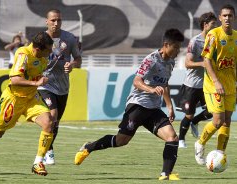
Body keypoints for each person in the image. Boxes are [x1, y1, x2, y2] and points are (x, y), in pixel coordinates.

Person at [74, 29, 184, 180]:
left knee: (172, 138)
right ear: (166, 45)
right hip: (137, 105)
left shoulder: (171, 62)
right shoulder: (151, 59)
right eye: (176, 47)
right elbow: (136, 81)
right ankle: (89, 147)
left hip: (153, 110)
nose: (178, 51)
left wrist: (169, 106)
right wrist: (151, 89)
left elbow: (164, 84)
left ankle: (166, 174)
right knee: (121, 141)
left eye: (179, 47)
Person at [0, 31, 54, 176]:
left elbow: (42, 68)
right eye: (48, 49)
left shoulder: (43, 56)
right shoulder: (23, 54)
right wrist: (36, 82)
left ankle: (38, 163)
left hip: (31, 98)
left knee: (48, 123)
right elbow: (14, 79)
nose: (50, 52)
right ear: (38, 49)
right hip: (14, 98)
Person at [38, 8, 82, 165]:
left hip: (63, 86)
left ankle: (47, 146)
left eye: (59, 20)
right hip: (44, 85)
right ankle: (47, 152)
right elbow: (32, 57)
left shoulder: (69, 38)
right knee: (53, 114)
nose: (56, 23)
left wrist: (72, 65)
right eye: (53, 20)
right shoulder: (40, 39)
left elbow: (78, 58)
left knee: (55, 122)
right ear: (47, 21)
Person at [195, 4, 237, 165]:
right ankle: (200, 143)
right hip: (214, 85)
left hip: (231, 85)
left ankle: (219, 154)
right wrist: (216, 81)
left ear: (234, 18)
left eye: (230, 15)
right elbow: (206, 60)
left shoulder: (236, 36)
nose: (227, 18)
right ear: (220, 18)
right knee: (218, 120)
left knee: (227, 121)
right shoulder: (213, 35)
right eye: (224, 15)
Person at [177, 12, 217, 148]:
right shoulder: (195, 41)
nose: (215, 26)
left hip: (207, 84)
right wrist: (202, 64)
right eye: (213, 24)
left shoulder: (216, 40)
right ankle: (181, 139)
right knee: (189, 114)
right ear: (205, 25)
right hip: (192, 84)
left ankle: (195, 121)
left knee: (213, 111)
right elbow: (187, 63)